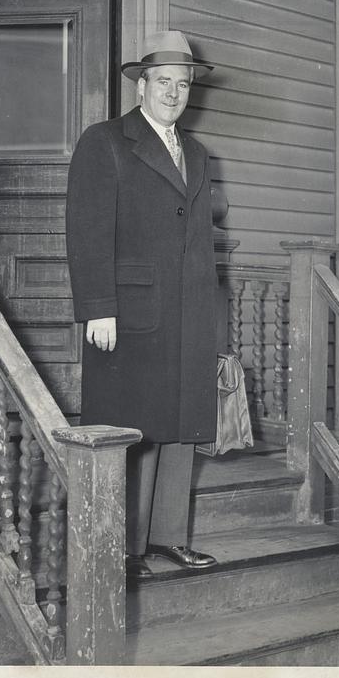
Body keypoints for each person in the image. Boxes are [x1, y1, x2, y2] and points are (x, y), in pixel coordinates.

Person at [66, 30, 218, 577]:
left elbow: (200, 240)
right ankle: (125, 548)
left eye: (183, 84)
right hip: (129, 313)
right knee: (134, 425)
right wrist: (98, 307)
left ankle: (168, 537)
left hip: (188, 311)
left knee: (180, 423)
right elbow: (86, 231)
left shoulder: (197, 153)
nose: (174, 93)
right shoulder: (105, 141)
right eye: (163, 82)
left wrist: (210, 320)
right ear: (142, 86)